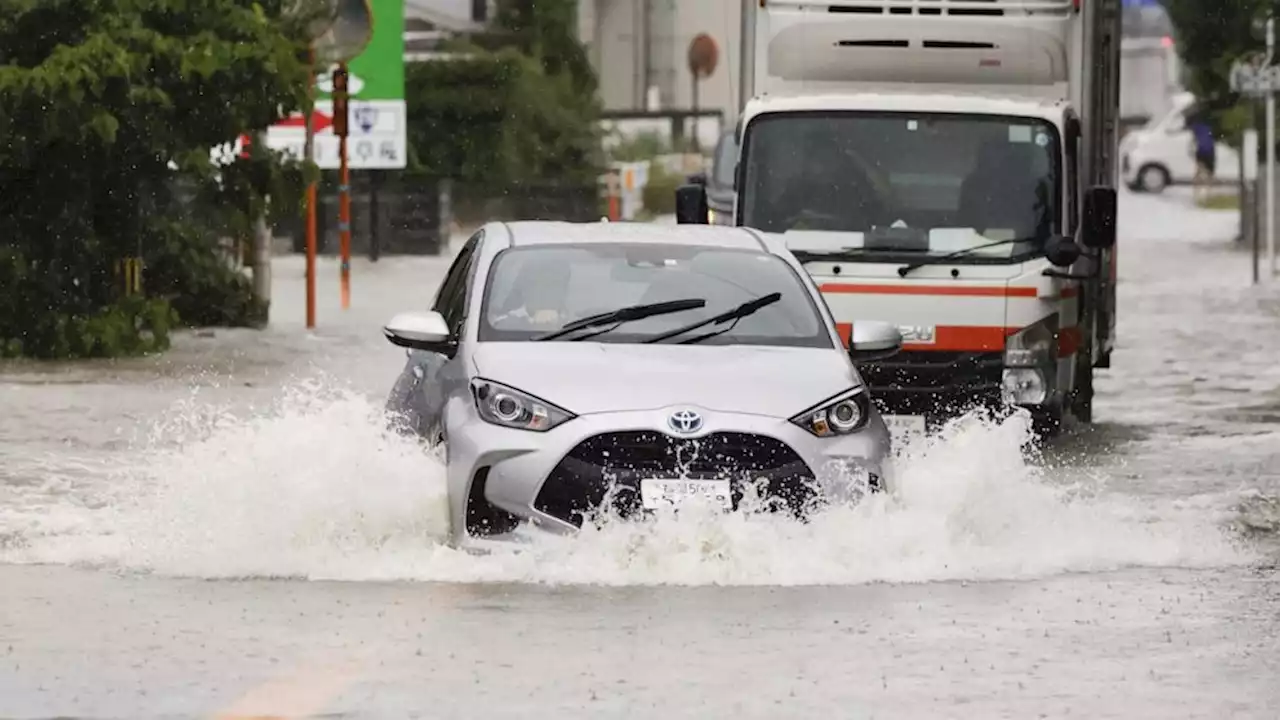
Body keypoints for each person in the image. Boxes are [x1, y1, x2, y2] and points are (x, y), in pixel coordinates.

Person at [1189, 113, 1216, 203]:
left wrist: (1191, 150)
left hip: (1200, 151)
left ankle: (1196, 194)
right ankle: (1208, 195)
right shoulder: (1210, 126)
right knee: (1209, 174)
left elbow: (1193, 140)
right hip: (1209, 151)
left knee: (1199, 172)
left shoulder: (1196, 127)